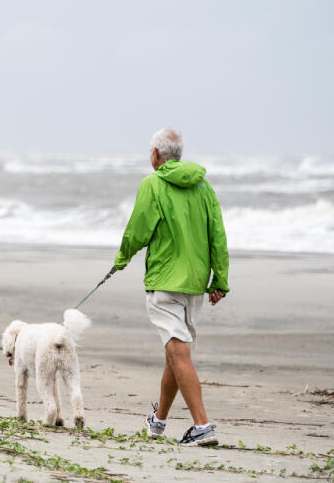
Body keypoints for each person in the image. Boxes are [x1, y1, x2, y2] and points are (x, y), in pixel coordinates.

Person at [113, 127, 229, 446]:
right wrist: (219, 279)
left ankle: (202, 426)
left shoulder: (152, 184)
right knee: (174, 354)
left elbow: (138, 230)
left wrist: (121, 259)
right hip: (194, 284)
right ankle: (159, 421)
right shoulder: (203, 187)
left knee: (178, 353)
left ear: (155, 154)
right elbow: (218, 236)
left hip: (165, 282)